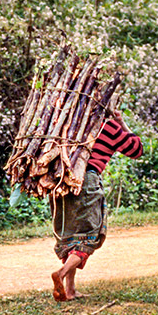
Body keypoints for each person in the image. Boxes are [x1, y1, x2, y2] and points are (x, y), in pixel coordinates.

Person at [51, 110, 144, 302]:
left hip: (58, 180)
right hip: (86, 180)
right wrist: (121, 123)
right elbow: (136, 150)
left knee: (70, 236)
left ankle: (70, 290)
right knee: (89, 237)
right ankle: (60, 274)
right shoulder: (107, 127)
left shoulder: (66, 124)